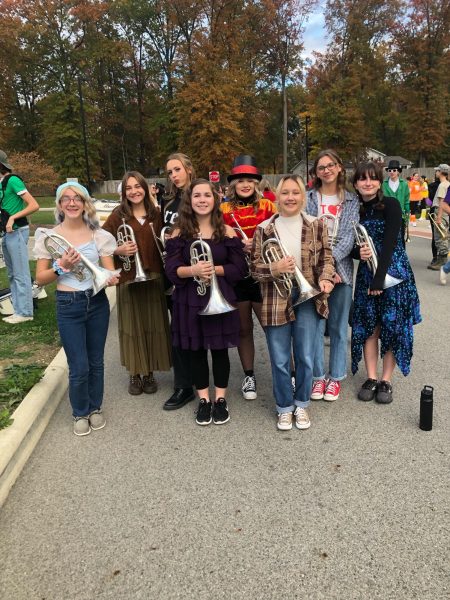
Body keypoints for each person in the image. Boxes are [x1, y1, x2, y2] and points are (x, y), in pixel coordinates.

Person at [34, 182, 120, 436]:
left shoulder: (100, 236)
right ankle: (80, 411)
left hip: (96, 303)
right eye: (66, 199)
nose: (72, 203)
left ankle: (95, 407)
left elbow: (107, 269)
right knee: (79, 364)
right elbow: (40, 279)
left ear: (85, 204)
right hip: (68, 304)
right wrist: (61, 266)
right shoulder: (48, 237)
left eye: (77, 199)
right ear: (60, 205)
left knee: (96, 362)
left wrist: (111, 276)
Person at [251, 175, 335, 431]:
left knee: (306, 356)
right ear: (277, 196)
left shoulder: (316, 224)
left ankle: (302, 403)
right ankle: (284, 408)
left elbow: (327, 259)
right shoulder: (264, 229)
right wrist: (274, 268)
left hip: (307, 298)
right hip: (276, 298)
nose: (290, 198)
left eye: (295, 193)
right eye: (285, 193)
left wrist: (326, 279)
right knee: (279, 359)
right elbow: (254, 269)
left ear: (302, 195)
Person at [164, 179, 247, 426]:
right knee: (196, 352)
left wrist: (215, 268)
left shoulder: (227, 231)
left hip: (219, 298)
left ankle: (220, 399)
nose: (202, 200)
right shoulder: (179, 232)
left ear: (215, 199)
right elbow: (171, 269)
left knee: (220, 351)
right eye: (197, 195)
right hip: (190, 299)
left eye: (207, 195)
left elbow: (240, 268)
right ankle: (203, 400)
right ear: (190, 201)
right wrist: (193, 270)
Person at [351, 162, 421, 404]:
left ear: (379, 182)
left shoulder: (390, 204)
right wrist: (356, 253)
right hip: (367, 275)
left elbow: (392, 241)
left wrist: (380, 277)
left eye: (372, 178)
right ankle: (371, 377)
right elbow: (351, 247)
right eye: (362, 179)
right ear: (355, 184)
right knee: (370, 327)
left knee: (391, 328)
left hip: (393, 273)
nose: (367, 183)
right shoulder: (355, 211)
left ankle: (386, 380)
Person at [102, 171, 172, 395]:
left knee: (153, 325)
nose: (133, 191)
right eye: (128, 188)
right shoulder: (117, 215)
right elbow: (100, 242)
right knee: (132, 326)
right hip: (129, 277)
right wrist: (117, 249)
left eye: (137, 186)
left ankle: (149, 371)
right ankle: (135, 372)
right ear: (123, 192)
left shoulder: (156, 213)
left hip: (153, 276)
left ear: (146, 188)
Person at [220, 155, 277, 400]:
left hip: (265, 273)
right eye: (240, 180)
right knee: (244, 328)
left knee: (273, 328)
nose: (245, 185)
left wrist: (258, 242)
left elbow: (279, 235)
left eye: (250, 181)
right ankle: (249, 375)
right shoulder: (223, 209)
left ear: (256, 183)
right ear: (233, 184)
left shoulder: (268, 206)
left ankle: (286, 374)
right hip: (239, 275)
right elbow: (218, 241)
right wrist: (234, 244)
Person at [306, 149, 359, 402]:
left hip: (342, 272)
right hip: (313, 270)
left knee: (338, 328)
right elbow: (305, 232)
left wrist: (332, 266)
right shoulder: (308, 198)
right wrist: (324, 268)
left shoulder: (351, 200)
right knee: (315, 327)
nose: (325, 170)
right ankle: (317, 377)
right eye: (320, 167)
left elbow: (349, 236)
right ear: (316, 172)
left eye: (330, 165)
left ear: (339, 168)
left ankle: (335, 377)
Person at [162, 152, 197, 410]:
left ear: (188, 169)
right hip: (173, 270)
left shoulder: (200, 194)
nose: (174, 175)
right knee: (179, 330)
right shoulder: (170, 201)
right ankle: (183, 385)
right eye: (170, 171)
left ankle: (199, 382)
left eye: (177, 169)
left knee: (196, 329)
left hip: (193, 270)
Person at [0, 150, 39, 323]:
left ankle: (25, 312)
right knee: (12, 273)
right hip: (6, 234)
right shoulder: (1, 183)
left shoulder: (13, 180)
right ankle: (18, 309)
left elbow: (34, 205)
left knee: (21, 273)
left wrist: (13, 218)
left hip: (17, 231)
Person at [381, 160, 410, 245]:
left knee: (400, 238)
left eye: (394, 170)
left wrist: (407, 214)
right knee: (387, 237)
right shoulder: (383, 184)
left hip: (400, 215)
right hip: (386, 214)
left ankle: (402, 256)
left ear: (398, 172)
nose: (392, 172)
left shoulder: (404, 184)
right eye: (390, 170)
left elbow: (406, 200)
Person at [428, 164, 450, 271]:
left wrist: (439, 216)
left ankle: (442, 260)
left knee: (439, 237)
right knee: (443, 235)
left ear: (441, 172)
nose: (436, 173)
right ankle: (441, 259)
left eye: (437, 171)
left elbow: (442, 202)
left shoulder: (442, 185)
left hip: (440, 211)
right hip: (444, 212)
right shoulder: (447, 184)